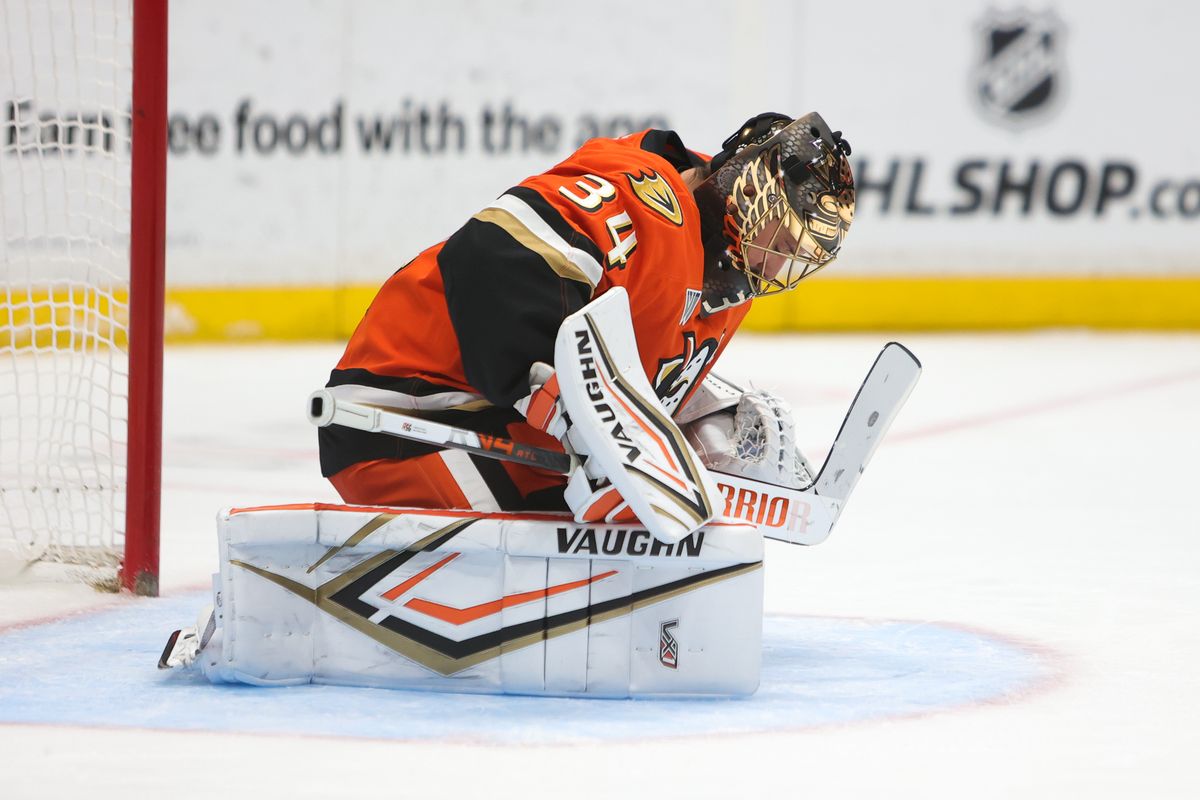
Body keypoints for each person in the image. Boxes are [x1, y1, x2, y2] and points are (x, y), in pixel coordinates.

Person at [318, 111, 855, 516]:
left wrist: (707, 424)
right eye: (777, 235)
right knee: (615, 531)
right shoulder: (643, 194)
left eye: (793, 250)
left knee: (642, 523)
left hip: (508, 437)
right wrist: (576, 409)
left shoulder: (726, 282)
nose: (775, 260)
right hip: (416, 422)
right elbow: (491, 256)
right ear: (746, 187)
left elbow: (618, 371)